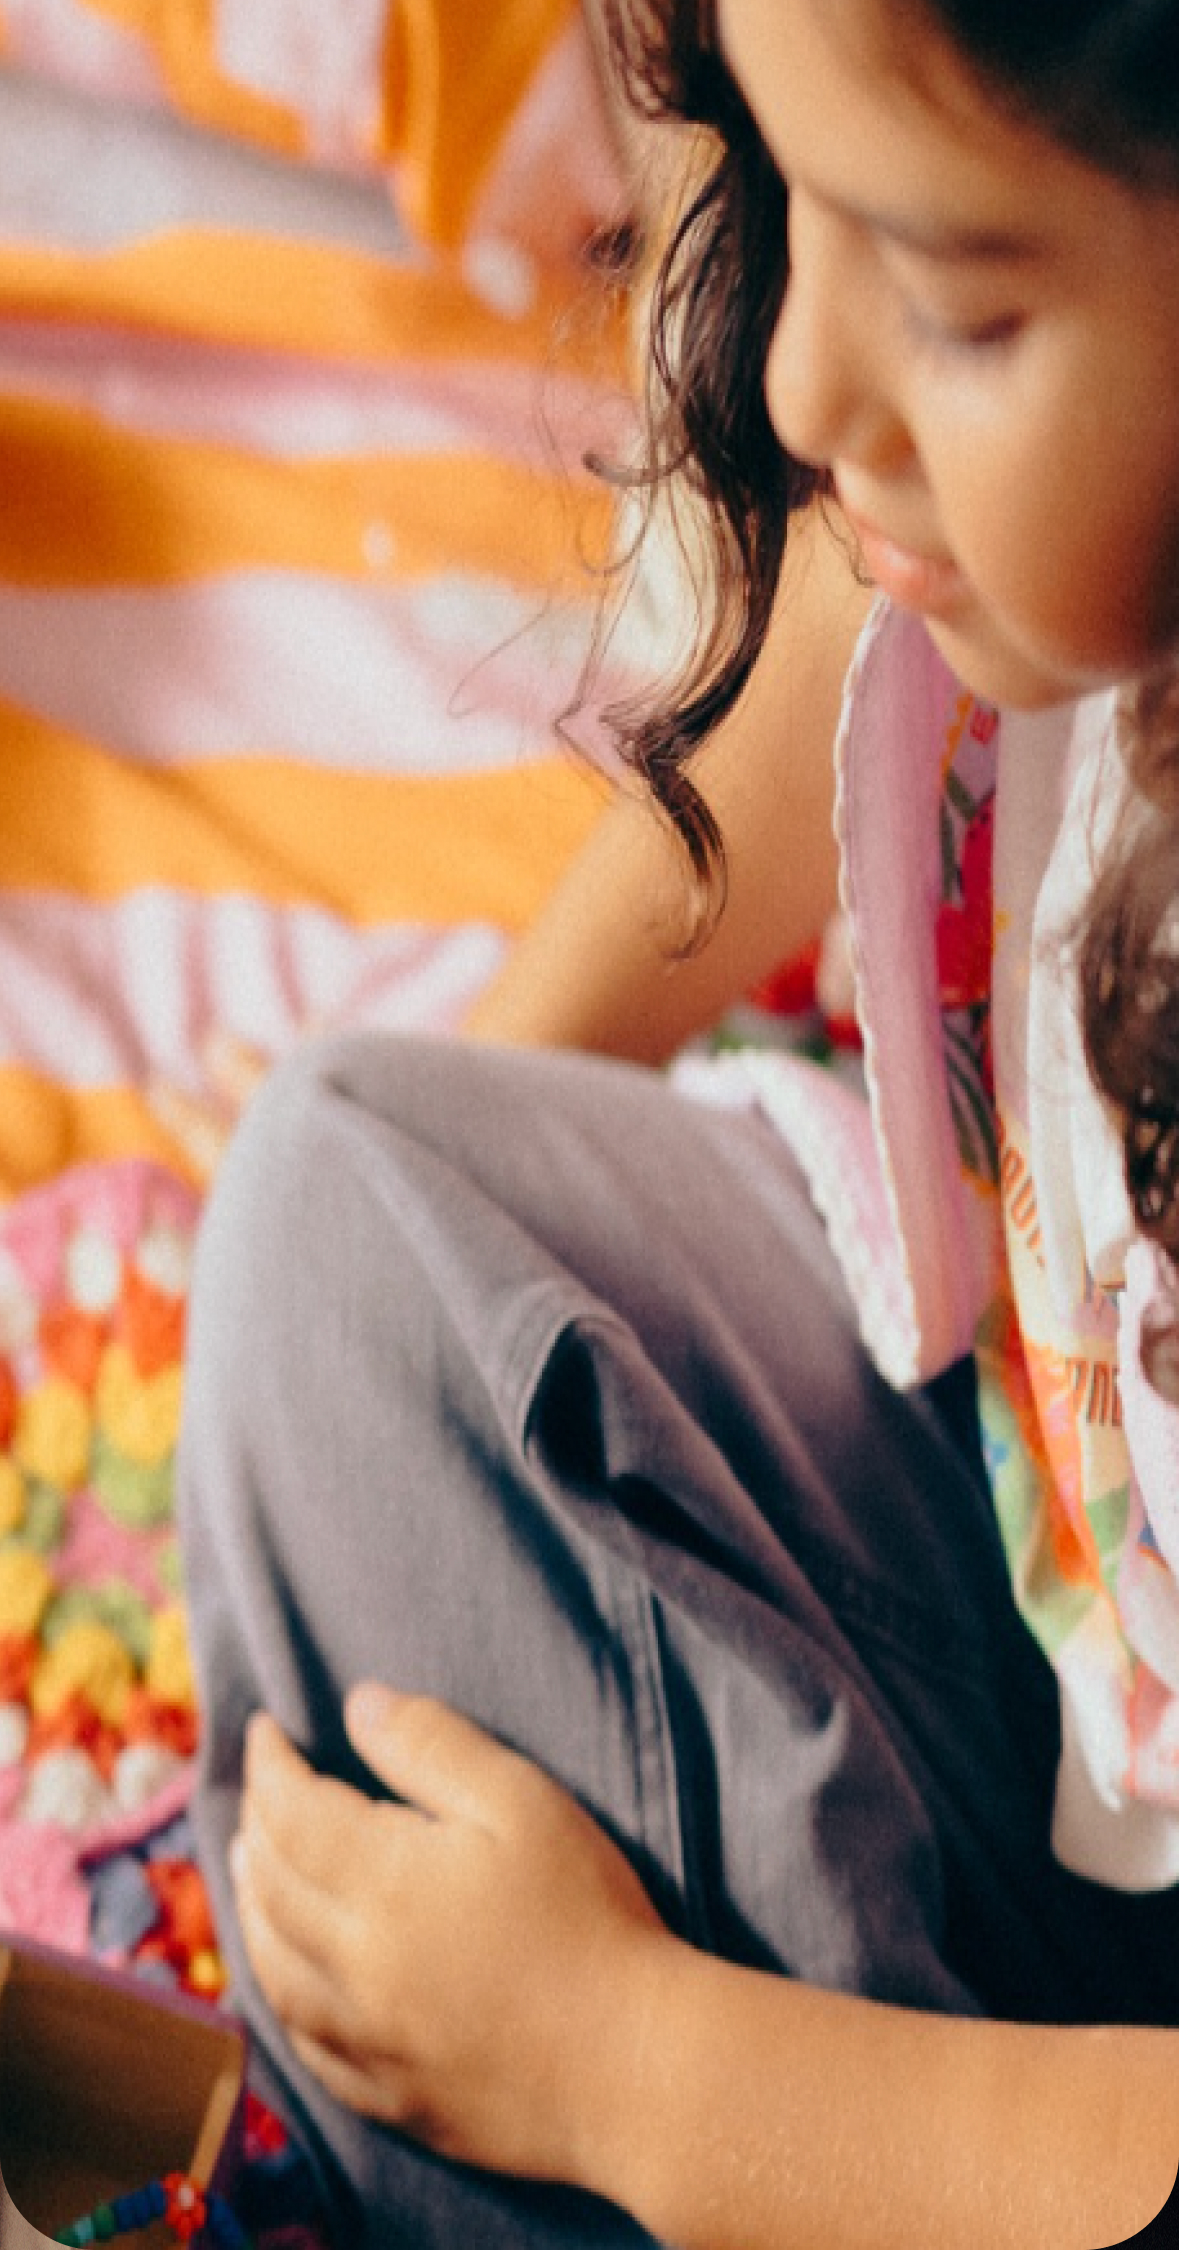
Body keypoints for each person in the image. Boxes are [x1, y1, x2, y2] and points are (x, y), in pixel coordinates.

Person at [177, 0, 1179, 2242]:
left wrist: (638, 2071)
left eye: (946, 295)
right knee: (349, 1201)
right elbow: (849, 639)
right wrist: (484, 1166)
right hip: (1091, 1620)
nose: (805, 390)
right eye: (788, 192)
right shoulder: (1041, 533)